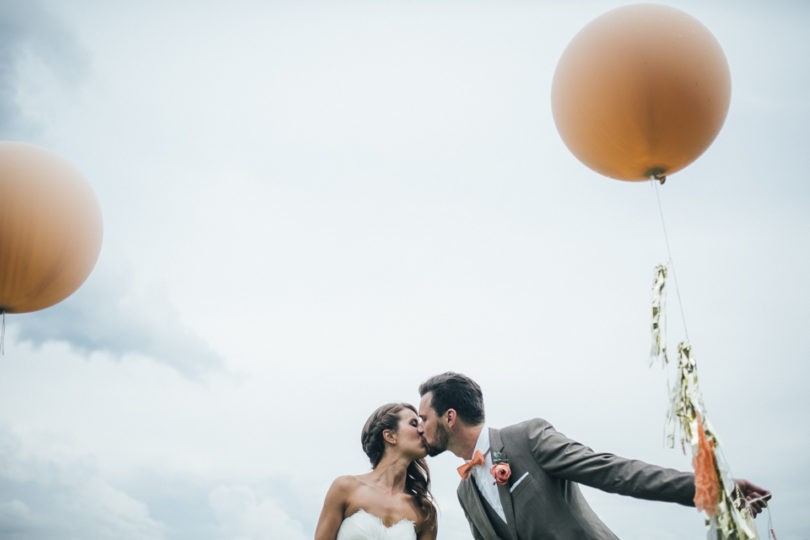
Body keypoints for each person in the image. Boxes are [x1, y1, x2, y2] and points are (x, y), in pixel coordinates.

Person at [416, 372, 771, 540]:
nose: (420, 428)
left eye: (424, 419)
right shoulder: (465, 492)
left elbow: (614, 472)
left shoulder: (526, 439)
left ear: (450, 417)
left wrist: (713, 490)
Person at [315, 403, 438, 540]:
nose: (423, 429)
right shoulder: (345, 488)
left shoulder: (425, 512)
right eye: (414, 424)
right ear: (390, 436)